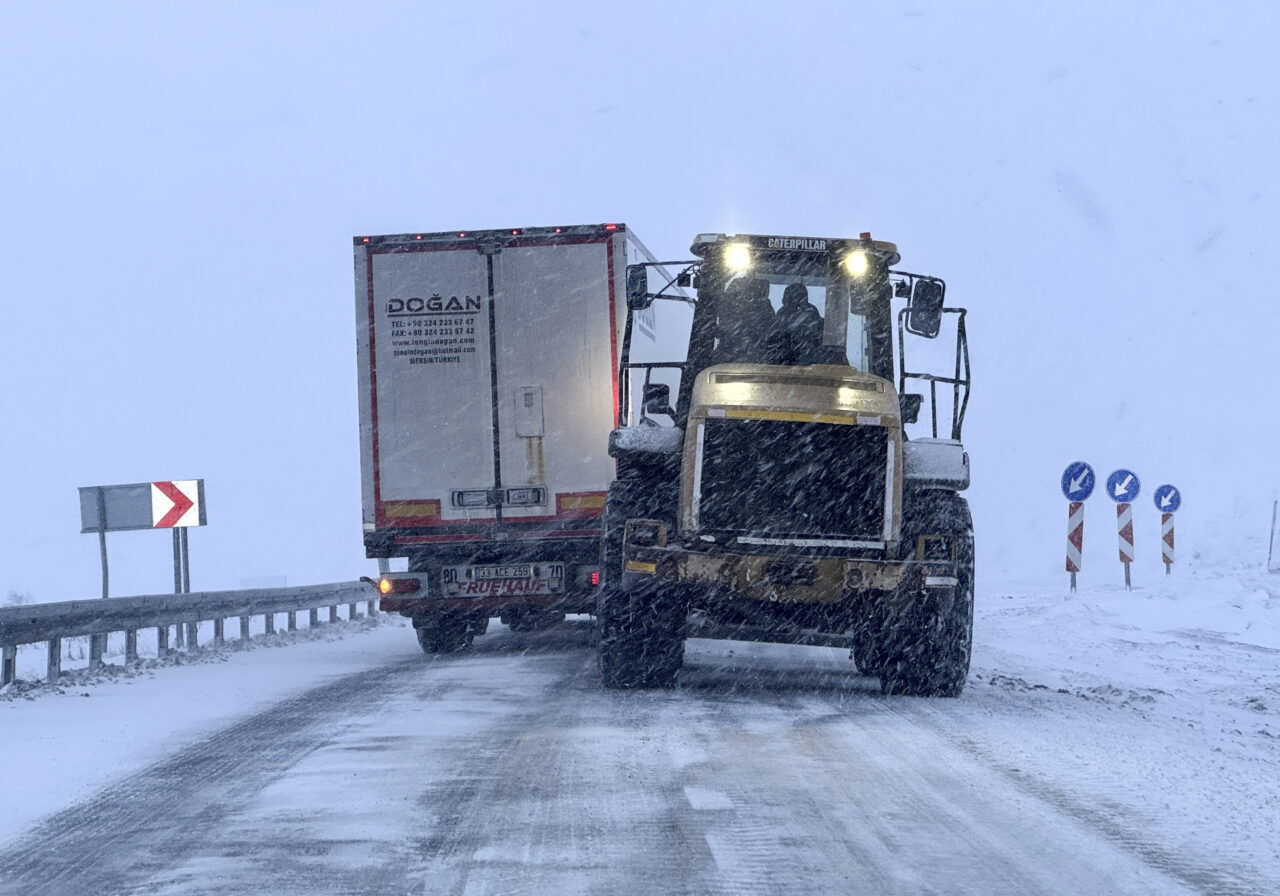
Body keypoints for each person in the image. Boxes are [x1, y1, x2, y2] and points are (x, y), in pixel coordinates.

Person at [767, 283, 825, 365]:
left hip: (810, 371)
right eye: (787, 298)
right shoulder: (779, 318)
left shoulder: (816, 323)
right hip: (776, 371)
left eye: (791, 298)